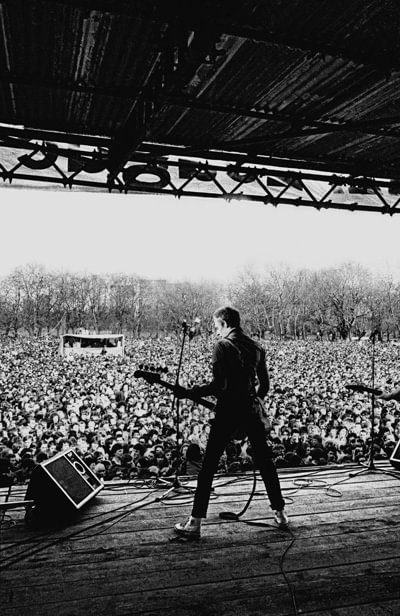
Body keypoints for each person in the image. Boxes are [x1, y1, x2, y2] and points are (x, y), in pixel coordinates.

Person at [174, 306, 288, 539]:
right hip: (250, 410)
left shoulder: (223, 346)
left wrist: (192, 392)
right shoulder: (257, 347)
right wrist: (252, 401)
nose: (216, 331)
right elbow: (264, 386)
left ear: (225, 323)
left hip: (227, 412)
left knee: (208, 466)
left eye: (217, 326)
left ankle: (194, 523)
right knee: (265, 461)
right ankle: (280, 514)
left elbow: (218, 386)